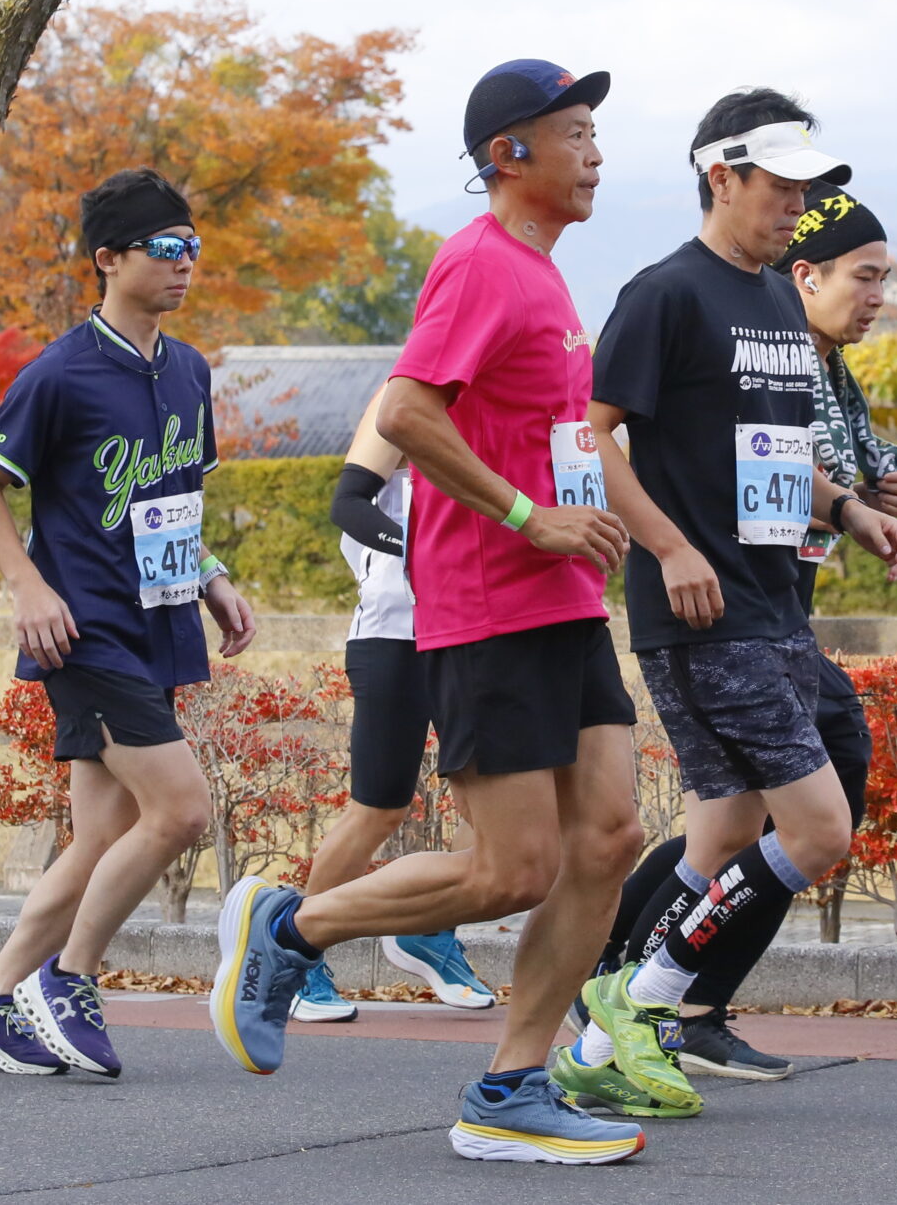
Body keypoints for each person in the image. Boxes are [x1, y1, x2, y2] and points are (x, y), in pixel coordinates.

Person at [208, 59, 650, 1167]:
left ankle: (511, 1083)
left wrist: (590, 517)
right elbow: (404, 410)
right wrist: (525, 516)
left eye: (597, 132)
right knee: (510, 870)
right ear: (510, 155)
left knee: (608, 838)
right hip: (490, 604)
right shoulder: (480, 264)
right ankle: (294, 924)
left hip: (564, 604)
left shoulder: (547, 281)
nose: (595, 152)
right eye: (575, 132)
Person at [566, 94, 897, 1121]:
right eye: (781, 184)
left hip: (773, 610)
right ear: (721, 175)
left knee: (718, 839)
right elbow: (588, 439)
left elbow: (762, 454)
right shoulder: (665, 293)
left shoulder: (769, 302)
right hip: (705, 612)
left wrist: (846, 507)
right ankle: (642, 1001)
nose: (796, 203)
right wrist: (668, 547)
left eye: (807, 186)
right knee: (816, 833)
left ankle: (598, 1040)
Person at [0, 169, 257, 1081]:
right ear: (109, 261)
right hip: (84, 631)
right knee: (181, 808)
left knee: (97, 840)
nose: (185, 264)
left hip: (158, 623)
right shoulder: (60, 371)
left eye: (192, 247)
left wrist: (211, 576)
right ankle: (69, 977)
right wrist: (28, 587)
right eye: (166, 248)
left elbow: (174, 499)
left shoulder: (190, 368)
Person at [288, 385, 497, 1022]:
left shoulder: (513, 399)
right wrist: (423, 552)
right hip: (392, 632)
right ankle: (297, 954)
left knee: (490, 800)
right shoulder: (402, 394)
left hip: (478, 629)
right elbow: (347, 504)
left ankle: (431, 931)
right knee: (379, 807)